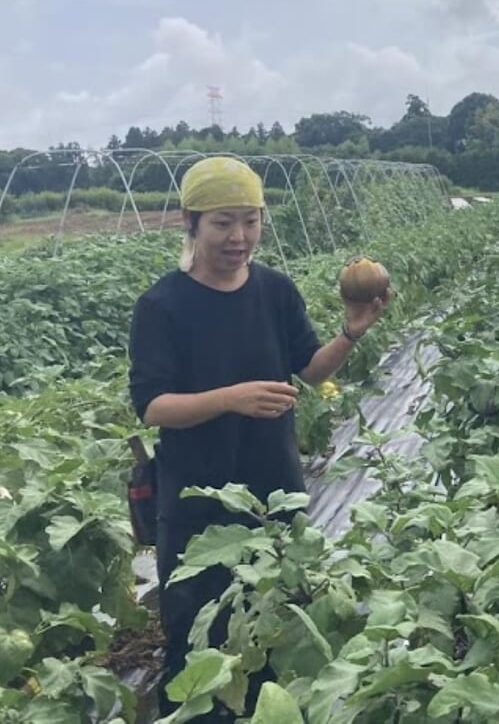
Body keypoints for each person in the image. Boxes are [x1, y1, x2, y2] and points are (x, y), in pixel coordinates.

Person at [128, 157, 391, 715]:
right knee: (195, 641)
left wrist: (350, 332)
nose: (239, 237)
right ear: (191, 223)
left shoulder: (274, 290)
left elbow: (311, 370)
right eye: (223, 222)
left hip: (273, 492)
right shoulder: (161, 306)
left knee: (272, 631)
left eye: (250, 221)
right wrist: (232, 398)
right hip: (197, 501)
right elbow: (152, 406)